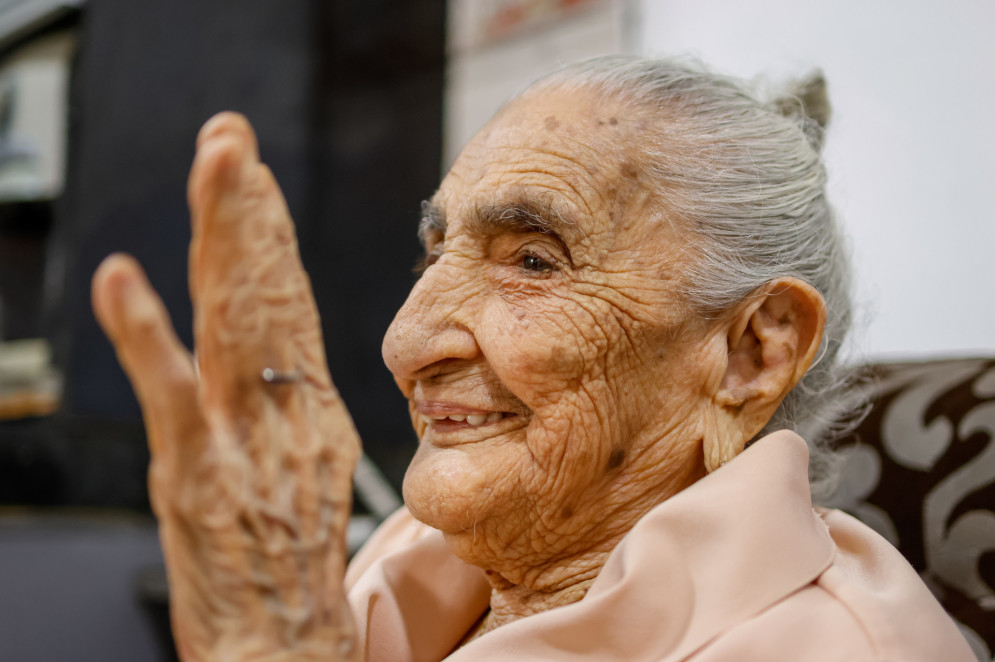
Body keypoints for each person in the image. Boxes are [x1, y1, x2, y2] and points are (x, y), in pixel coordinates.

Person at [91, 55, 975, 661]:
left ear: (752, 350)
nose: (405, 344)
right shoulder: (431, 555)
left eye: (532, 261)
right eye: (434, 255)